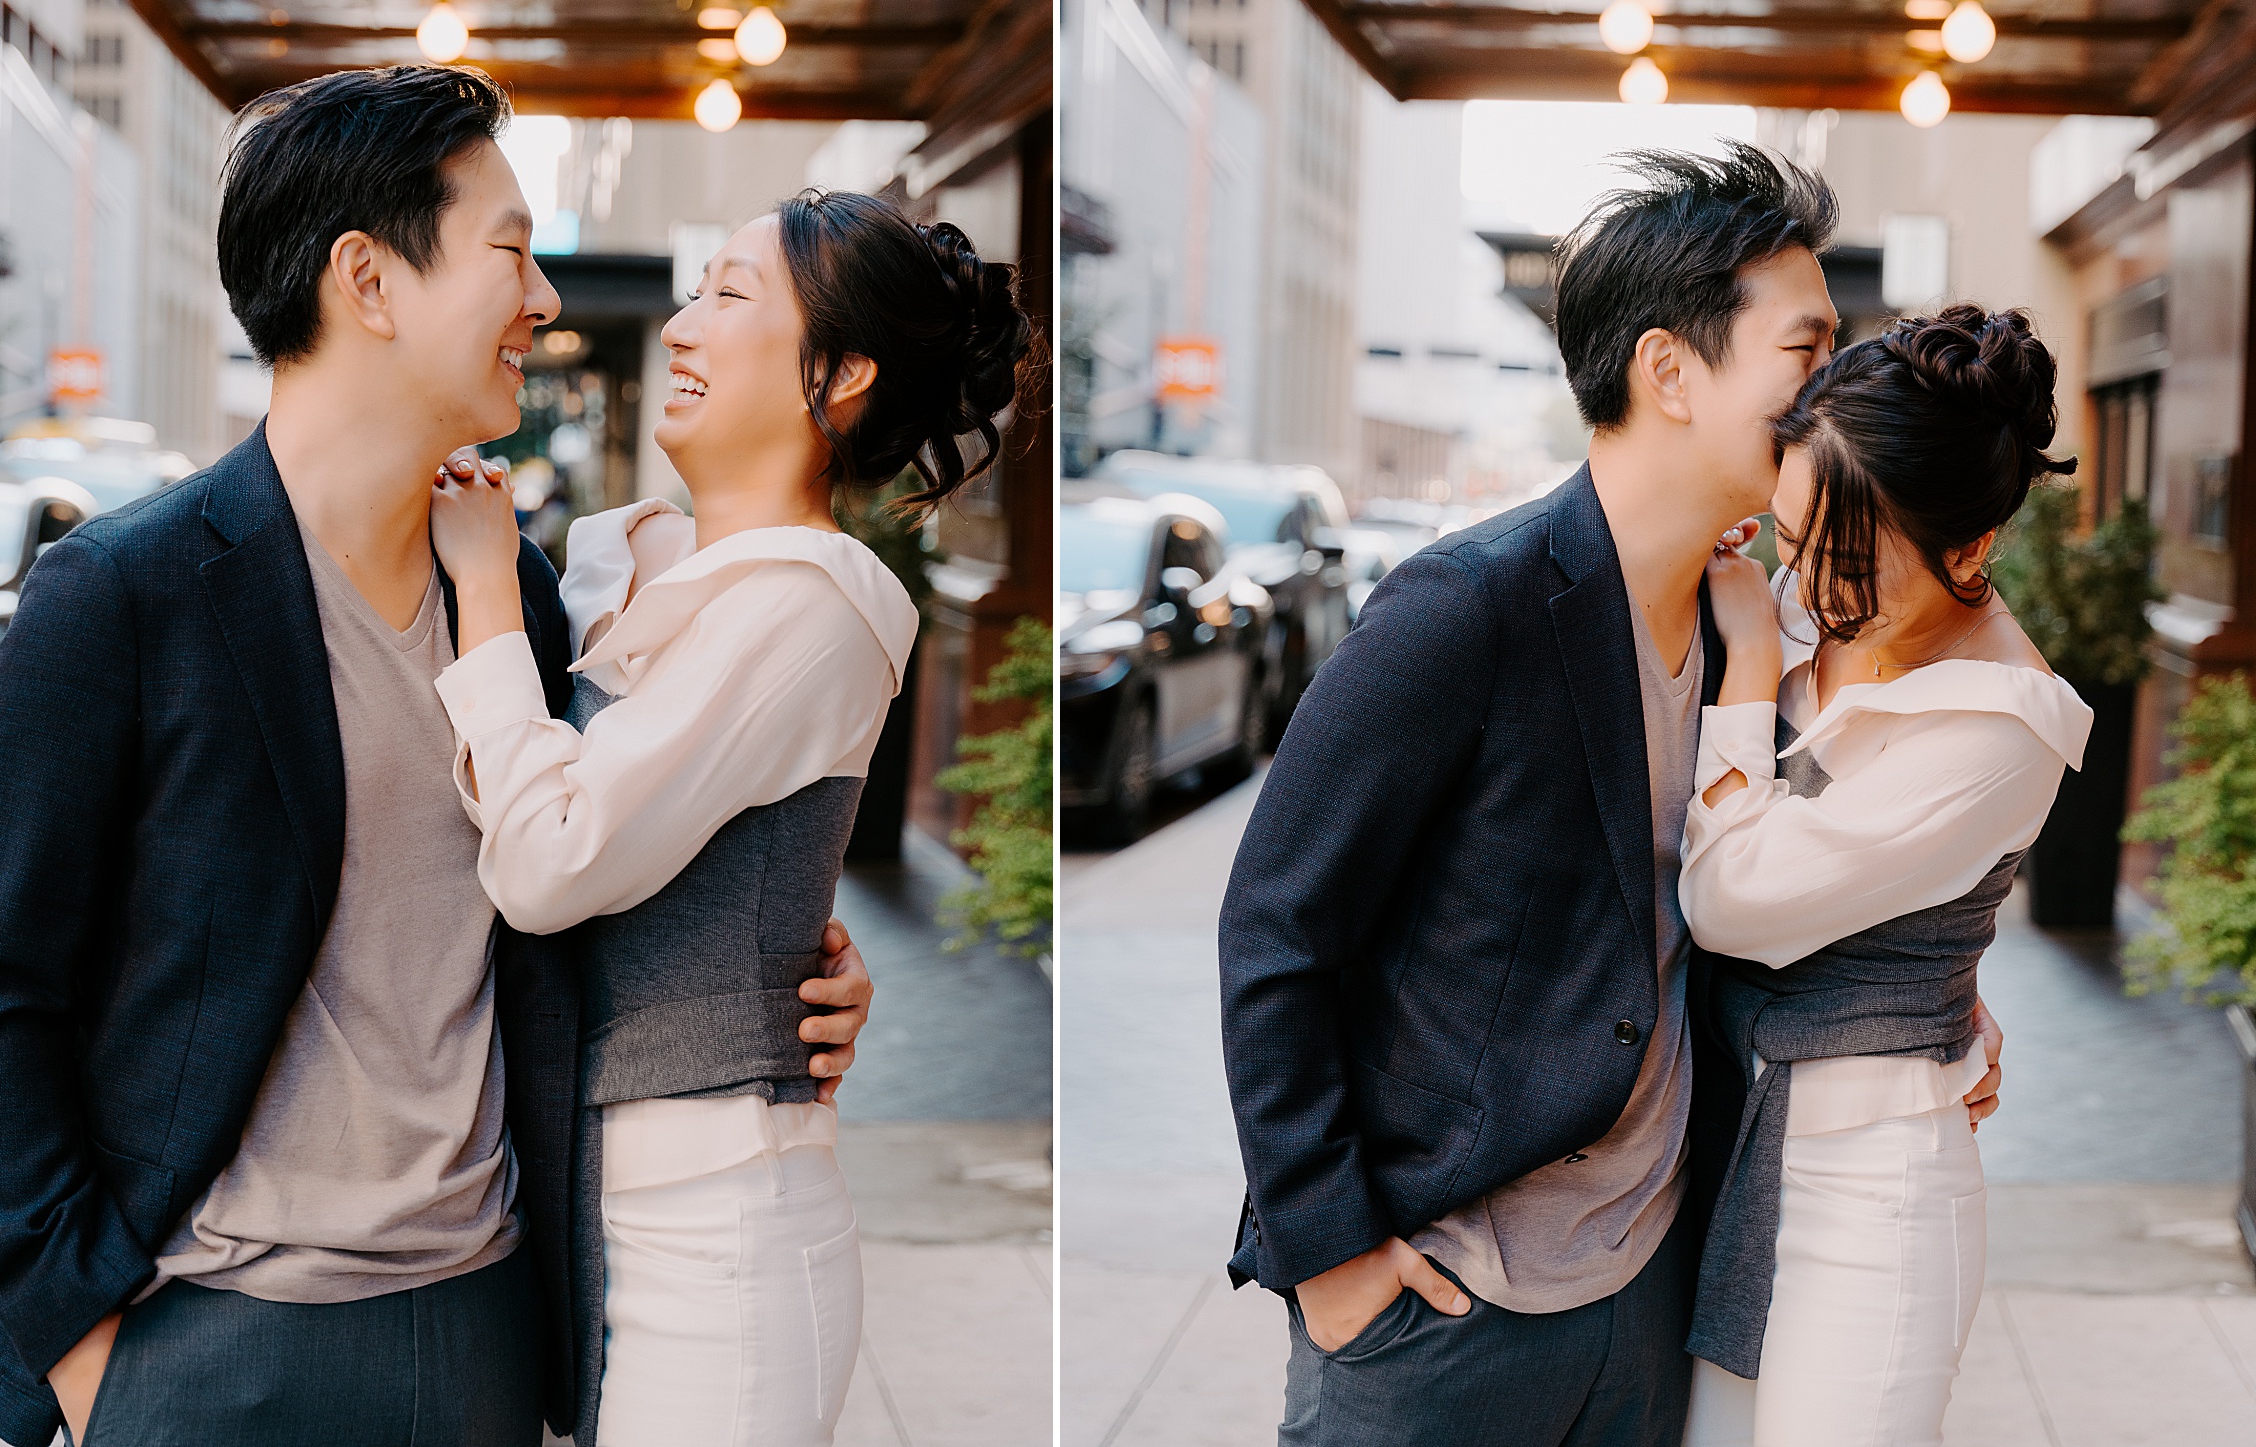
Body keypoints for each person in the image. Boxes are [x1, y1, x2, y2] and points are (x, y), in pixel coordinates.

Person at [0, 66, 875, 1447]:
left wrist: (791, 965)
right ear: (367, 281)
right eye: (508, 250)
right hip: (207, 1337)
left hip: (486, 1325)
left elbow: (599, 857)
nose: (544, 299)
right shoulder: (122, 593)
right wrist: (88, 1348)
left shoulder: (516, 603)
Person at [1216, 144, 2003, 1447]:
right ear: (1670, 371)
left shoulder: (1751, 623)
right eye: (1803, 355)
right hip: (1446, 1303)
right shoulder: (1467, 606)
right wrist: (1332, 1255)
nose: (1831, 398)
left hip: (1646, 1291)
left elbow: (1779, 878)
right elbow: (1276, 928)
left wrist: (1935, 997)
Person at [426, 189, 1035, 1446]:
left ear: (843, 371)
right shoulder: (612, 560)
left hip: (719, 1229)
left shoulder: (813, 603)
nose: (684, 330)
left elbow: (547, 861)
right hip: (564, 1193)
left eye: (730, 297)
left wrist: (487, 594)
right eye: (695, 290)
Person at [1679, 306, 2090, 1447]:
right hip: (1742, 1143)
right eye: (1794, 535)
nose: (1803, 581)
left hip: (1872, 1202)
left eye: (1843, 560)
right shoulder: (1827, 608)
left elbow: (1729, 901)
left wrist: (1751, 670)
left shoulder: (2002, 723)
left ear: (1971, 547)